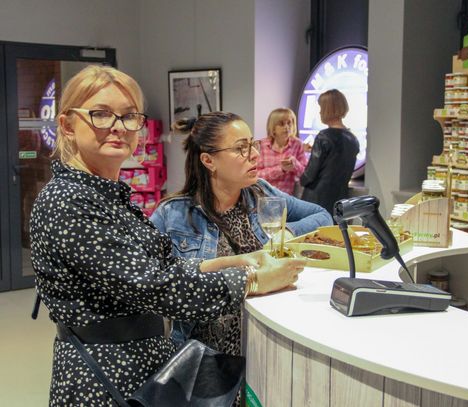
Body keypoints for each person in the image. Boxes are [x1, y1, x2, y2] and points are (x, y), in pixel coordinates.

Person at [30, 65, 305, 406]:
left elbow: (166, 266)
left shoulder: (110, 196)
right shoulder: (68, 200)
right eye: (100, 114)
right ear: (68, 125)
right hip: (106, 378)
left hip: (142, 368)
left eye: (129, 116)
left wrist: (240, 260)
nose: (118, 126)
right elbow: (152, 286)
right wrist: (253, 279)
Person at [150, 111, 332, 352]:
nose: (255, 154)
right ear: (208, 161)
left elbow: (323, 216)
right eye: (241, 148)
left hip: (266, 343)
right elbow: (151, 280)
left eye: (253, 144)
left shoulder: (261, 193)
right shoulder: (173, 214)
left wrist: (287, 231)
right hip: (206, 356)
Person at [300, 89, 360, 215]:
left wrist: (301, 179)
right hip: (340, 201)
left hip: (316, 199)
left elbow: (310, 174)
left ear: (327, 109)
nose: (320, 112)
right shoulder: (353, 139)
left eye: (321, 108)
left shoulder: (323, 137)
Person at [256, 108, 308, 195]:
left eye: (289, 123)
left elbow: (305, 175)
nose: (287, 127)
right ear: (273, 127)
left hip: (287, 198)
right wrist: (281, 169)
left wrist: (295, 164)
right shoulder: (262, 145)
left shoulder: (297, 144)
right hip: (265, 196)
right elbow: (257, 176)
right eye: (281, 124)